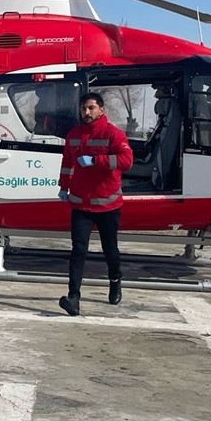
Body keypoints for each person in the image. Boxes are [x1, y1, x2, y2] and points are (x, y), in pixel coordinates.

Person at [56, 92, 134, 316]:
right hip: (80, 204)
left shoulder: (113, 134)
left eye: (91, 108)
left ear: (101, 110)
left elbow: (127, 161)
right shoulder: (74, 135)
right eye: (83, 108)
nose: (86, 112)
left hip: (107, 205)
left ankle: (115, 280)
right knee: (78, 250)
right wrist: (63, 187)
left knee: (110, 250)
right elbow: (67, 163)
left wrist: (96, 161)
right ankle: (73, 297)